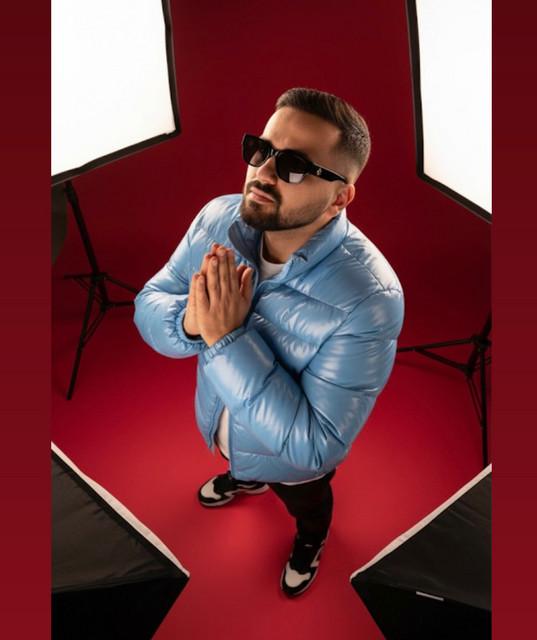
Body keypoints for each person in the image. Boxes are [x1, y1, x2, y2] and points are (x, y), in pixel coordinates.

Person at [133, 87, 404, 597]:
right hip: (220, 424)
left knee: (307, 501)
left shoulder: (371, 299)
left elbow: (315, 446)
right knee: (238, 460)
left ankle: (311, 540)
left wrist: (226, 337)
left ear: (340, 197)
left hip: (292, 467)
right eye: (261, 150)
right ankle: (244, 475)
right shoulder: (218, 217)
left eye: (295, 166)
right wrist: (192, 322)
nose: (263, 172)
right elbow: (149, 301)